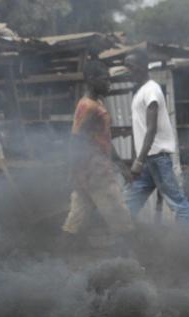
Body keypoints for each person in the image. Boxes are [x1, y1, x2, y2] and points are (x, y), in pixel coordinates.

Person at [62, 60, 135, 246]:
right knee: (120, 218)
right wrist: (71, 171)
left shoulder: (96, 103)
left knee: (76, 219)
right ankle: (128, 262)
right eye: (105, 79)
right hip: (96, 173)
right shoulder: (88, 106)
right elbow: (76, 140)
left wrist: (120, 165)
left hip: (89, 171)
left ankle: (59, 258)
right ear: (92, 79)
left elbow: (103, 140)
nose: (109, 83)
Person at [123, 50, 189, 226]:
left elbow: (151, 129)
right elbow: (141, 132)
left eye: (130, 66)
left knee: (177, 203)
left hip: (156, 158)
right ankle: (121, 246)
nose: (127, 70)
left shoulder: (151, 90)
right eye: (126, 66)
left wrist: (139, 161)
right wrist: (140, 160)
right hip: (149, 159)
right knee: (128, 204)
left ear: (142, 66)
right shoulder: (141, 91)